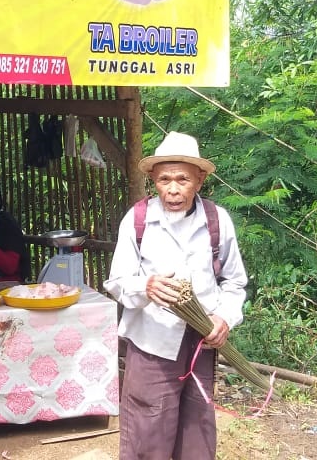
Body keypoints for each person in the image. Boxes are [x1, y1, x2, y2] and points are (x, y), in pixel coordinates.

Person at [103, 132, 248, 460]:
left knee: (196, 428)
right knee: (147, 429)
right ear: (153, 178)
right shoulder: (138, 220)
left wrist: (224, 318)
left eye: (182, 179)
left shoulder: (217, 221)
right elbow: (118, 281)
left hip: (200, 345)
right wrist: (147, 287)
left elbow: (235, 283)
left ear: (200, 179)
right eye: (164, 179)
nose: (172, 189)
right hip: (151, 344)